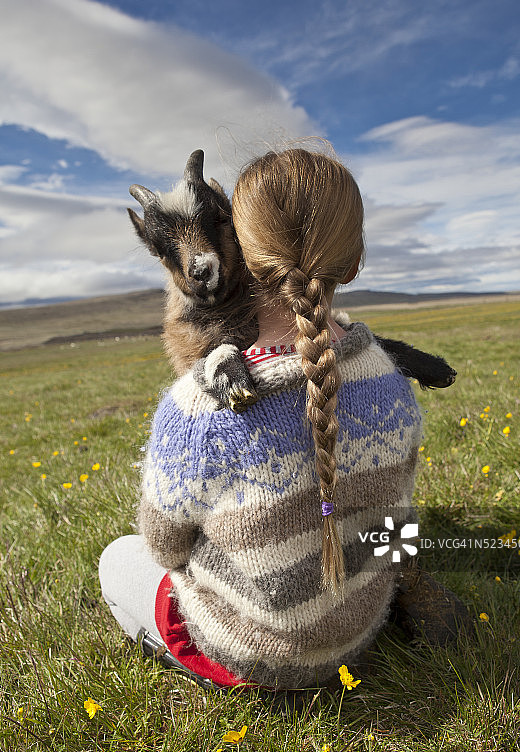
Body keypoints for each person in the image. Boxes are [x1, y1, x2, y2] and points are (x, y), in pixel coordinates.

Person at [99, 147, 453, 692]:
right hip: (360, 628)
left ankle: (224, 658)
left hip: (257, 655)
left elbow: (166, 547)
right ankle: (393, 593)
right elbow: (395, 511)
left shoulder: (198, 411)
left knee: (119, 559)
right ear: (353, 263)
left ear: (246, 246)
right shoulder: (389, 377)